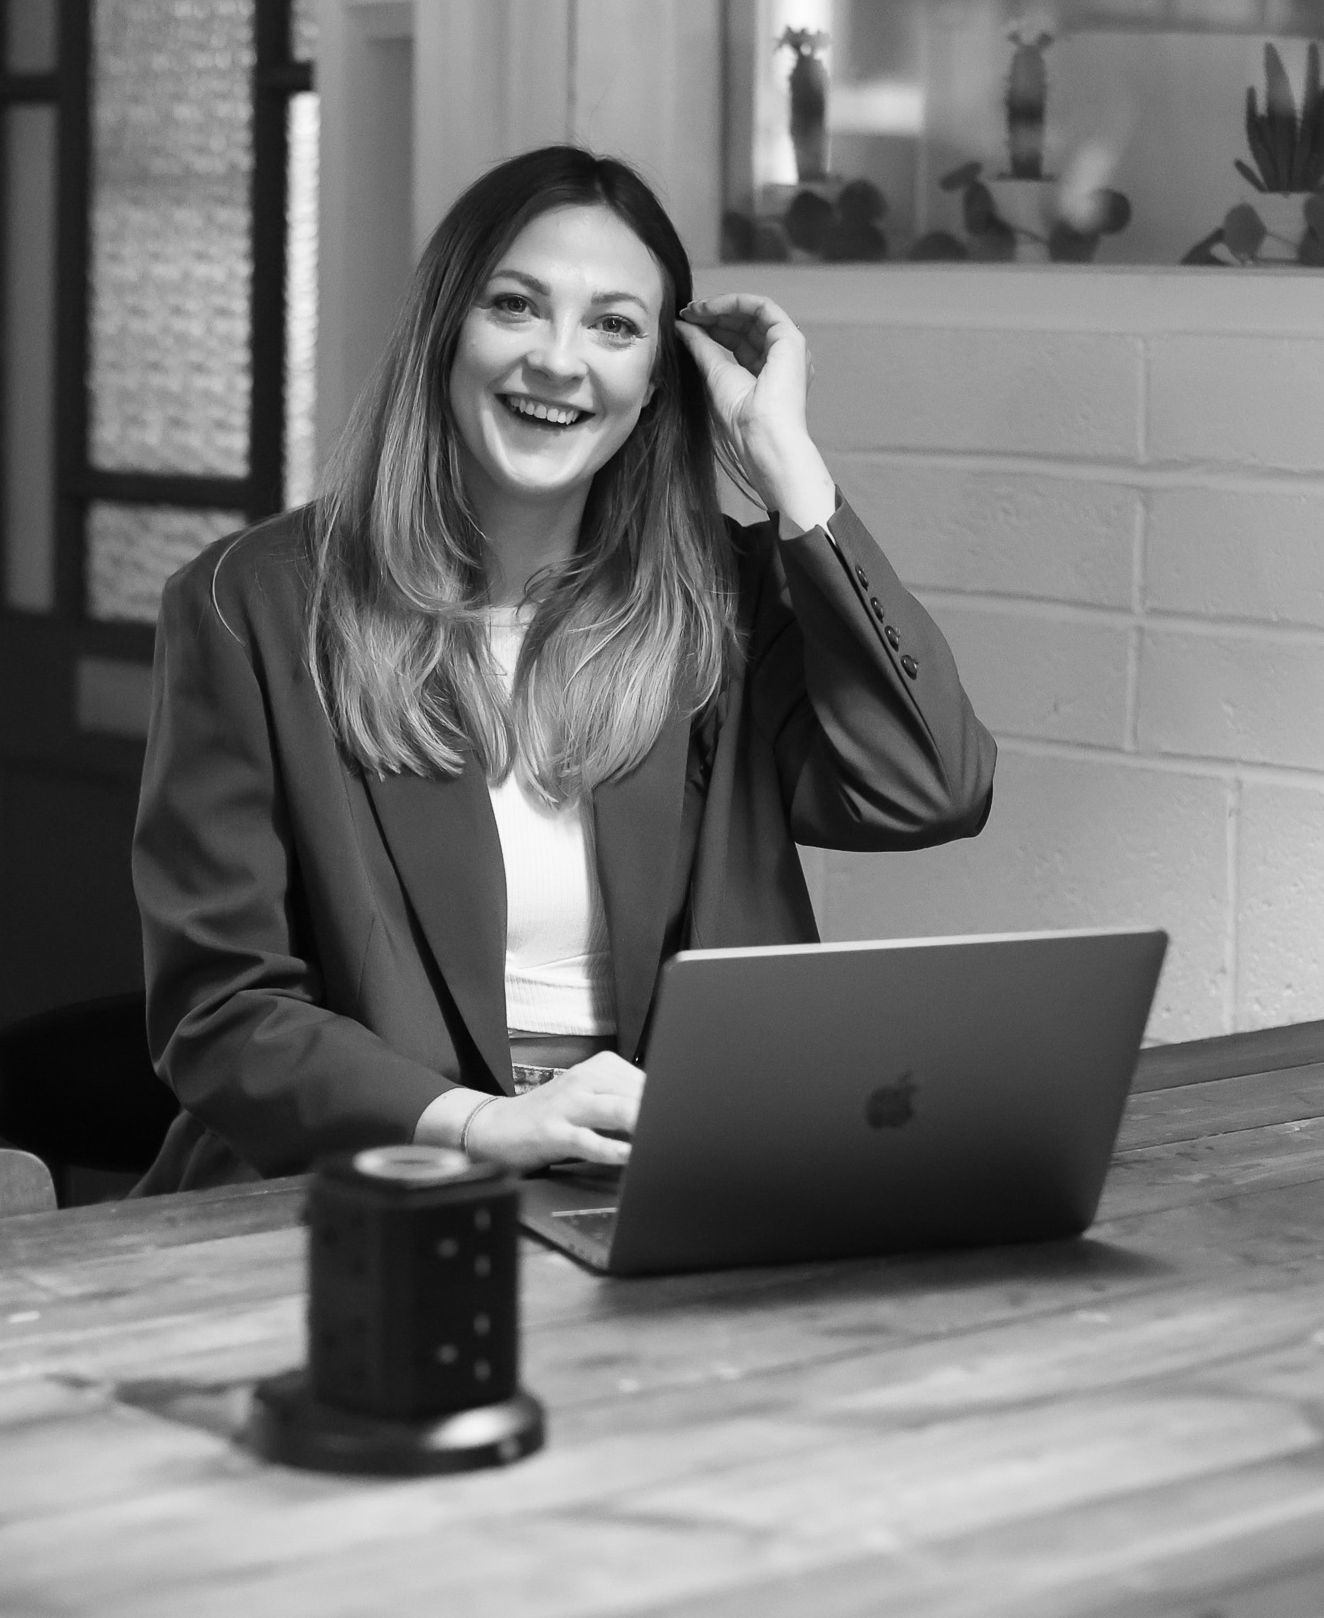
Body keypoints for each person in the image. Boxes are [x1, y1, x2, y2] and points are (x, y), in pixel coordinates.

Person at [132, 146, 996, 1193]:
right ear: (445, 330)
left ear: (654, 386)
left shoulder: (716, 599)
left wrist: (789, 465)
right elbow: (221, 1013)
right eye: (515, 305)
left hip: (653, 1167)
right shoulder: (250, 603)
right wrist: (482, 1124)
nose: (558, 359)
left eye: (615, 325)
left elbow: (927, 785)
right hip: (360, 1180)